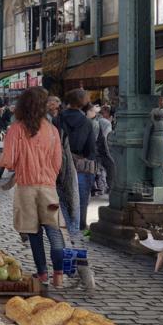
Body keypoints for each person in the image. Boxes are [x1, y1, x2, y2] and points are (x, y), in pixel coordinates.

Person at [0, 87, 68, 288]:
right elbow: (58, 162)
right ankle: (59, 275)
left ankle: (42, 274)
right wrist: (48, 174)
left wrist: (20, 165)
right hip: (48, 188)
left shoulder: (16, 129)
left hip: (26, 187)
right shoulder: (52, 130)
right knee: (54, 229)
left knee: (33, 232)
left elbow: (8, 161)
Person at [58, 89, 96, 236]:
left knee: (63, 197)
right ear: (84, 103)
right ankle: (79, 227)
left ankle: (64, 225)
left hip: (60, 163)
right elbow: (90, 149)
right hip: (80, 164)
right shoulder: (87, 122)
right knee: (81, 199)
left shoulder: (58, 118)